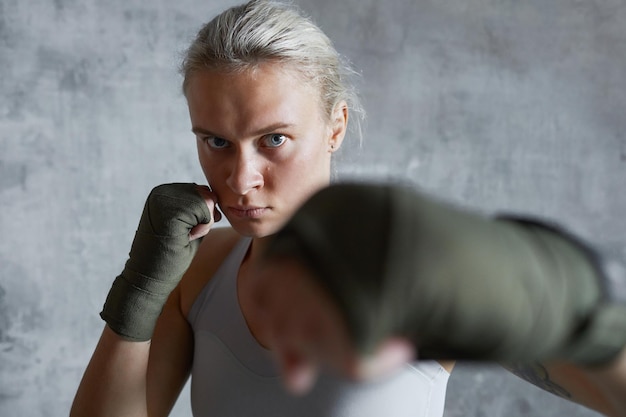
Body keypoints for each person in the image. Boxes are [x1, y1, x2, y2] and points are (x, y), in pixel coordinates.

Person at [69, 1, 626, 416]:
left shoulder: (412, 266)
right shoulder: (199, 268)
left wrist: (548, 292)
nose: (241, 179)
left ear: (335, 126)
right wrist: (138, 294)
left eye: (274, 140)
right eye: (216, 141)